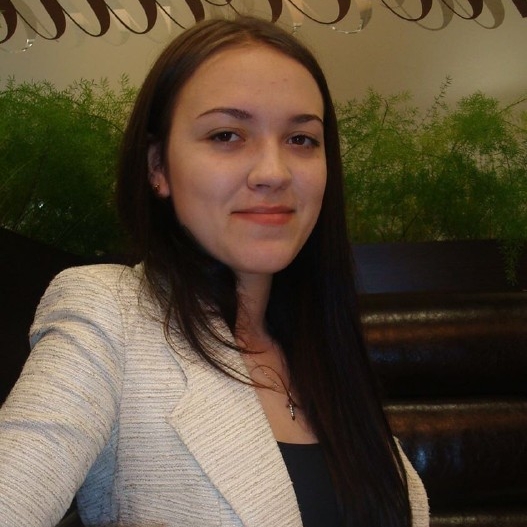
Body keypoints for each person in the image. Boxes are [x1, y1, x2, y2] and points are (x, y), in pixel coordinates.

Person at [0, 15, 429, 527]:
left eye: (301, 139)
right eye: (227, 135)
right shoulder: (109, 315)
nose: (273, 172)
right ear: (157, 167)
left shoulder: (322, 342)